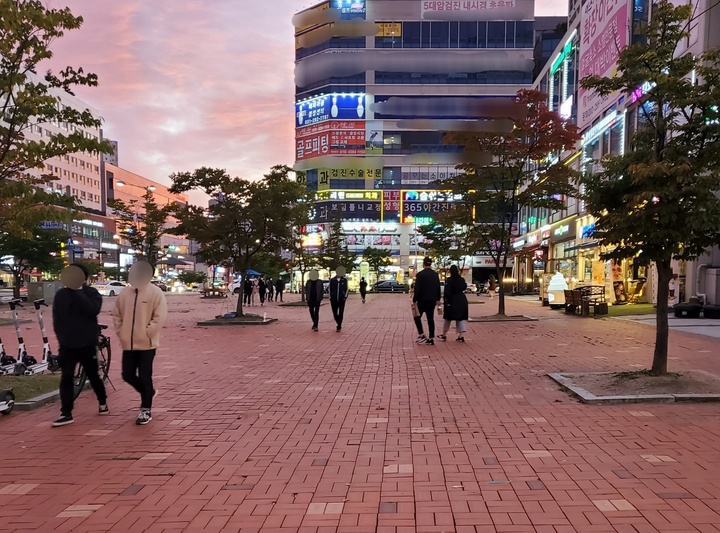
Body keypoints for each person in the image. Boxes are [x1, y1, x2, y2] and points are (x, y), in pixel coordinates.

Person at [51, 263, 108, 427]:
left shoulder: (92, 293)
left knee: (93, 375)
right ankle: (66, 412)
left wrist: (78, 293)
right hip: (67, 345)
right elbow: (57, 318)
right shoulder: (61, 294)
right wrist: (61, 338)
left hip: (86, 343)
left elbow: (92, 310)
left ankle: (102, 401)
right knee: (66, 377)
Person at [114, 261, 168, 425]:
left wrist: (147, 333)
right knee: (127, 374)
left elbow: (159, 317)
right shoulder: (124, 293)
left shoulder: (155, 293)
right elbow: (117, 315)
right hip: (128, 344)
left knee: (145, 376)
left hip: (147, 344)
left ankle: (146, 409)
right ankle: (149, 392)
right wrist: (121, 333)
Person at [413, 257, 441, 345]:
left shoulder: (420, 275)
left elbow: (417, 288)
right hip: (432, 300)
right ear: (430, 264)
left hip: (422, 300)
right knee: (430, 319)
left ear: (424, 264)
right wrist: (438, 298)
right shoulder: (435, 274)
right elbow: (438, 287)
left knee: (417, 317)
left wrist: (414, 300)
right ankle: (431, 338)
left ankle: (421, 334)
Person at [437, 265, 469, 343]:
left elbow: (447, 292)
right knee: (460, 318)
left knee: (447, 318)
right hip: (461, 299)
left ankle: (444, 335)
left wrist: (445, 301)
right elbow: (464, 287)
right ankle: (461, 336)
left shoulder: (449, 280)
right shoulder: (461, 279)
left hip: (451, 300)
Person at [329, 267, 349, 331]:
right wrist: (330, 297)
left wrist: (345, 297)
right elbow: (330, 289)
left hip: (341, 299)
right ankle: (338, 321)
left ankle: (339, 325)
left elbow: (347, 289)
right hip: (333, 299)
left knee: (341, 312)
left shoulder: (344, 280)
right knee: (335, 313)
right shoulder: (332, 280)